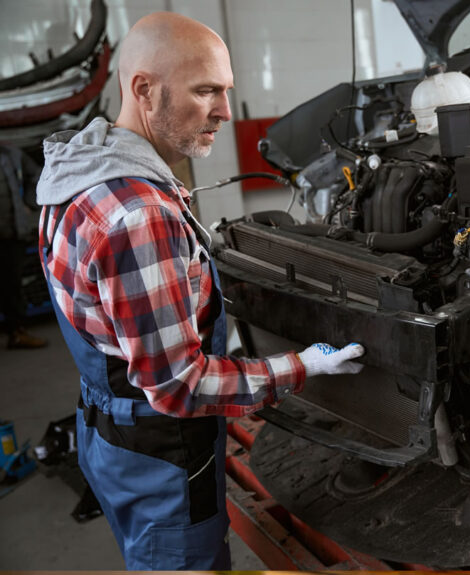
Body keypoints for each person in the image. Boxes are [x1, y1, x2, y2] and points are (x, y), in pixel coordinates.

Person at [36, 12, 364, 570]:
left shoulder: (79, 167)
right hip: (162, 455)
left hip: (109, 431)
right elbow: (178, 386)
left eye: (226, 91)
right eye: (205, 89)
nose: (222, 109)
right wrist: (304, 365)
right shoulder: (138, 215)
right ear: (144, 89)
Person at [0, 144, 48, 349]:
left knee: (12, 285)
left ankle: (17, 333)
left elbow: (37, 174)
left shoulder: (12, 153)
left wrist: (29, 202)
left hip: (12, 233)